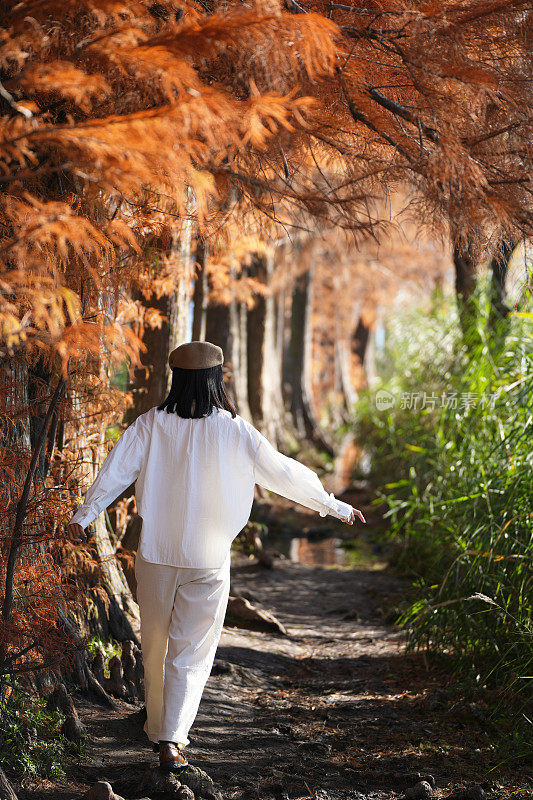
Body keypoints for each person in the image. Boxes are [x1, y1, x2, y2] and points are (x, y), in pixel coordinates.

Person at [67, 341, 366, 773]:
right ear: (216, 379)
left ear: (176, 378)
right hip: (208, 559)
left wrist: (84, 515)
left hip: (157, 555)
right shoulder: (235, 430)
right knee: (191, 651)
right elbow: (283, 473)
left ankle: (157, 727)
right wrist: (332, 505)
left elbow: (113, 472)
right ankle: (170, 738)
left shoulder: (150, 425)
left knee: (153, 645)